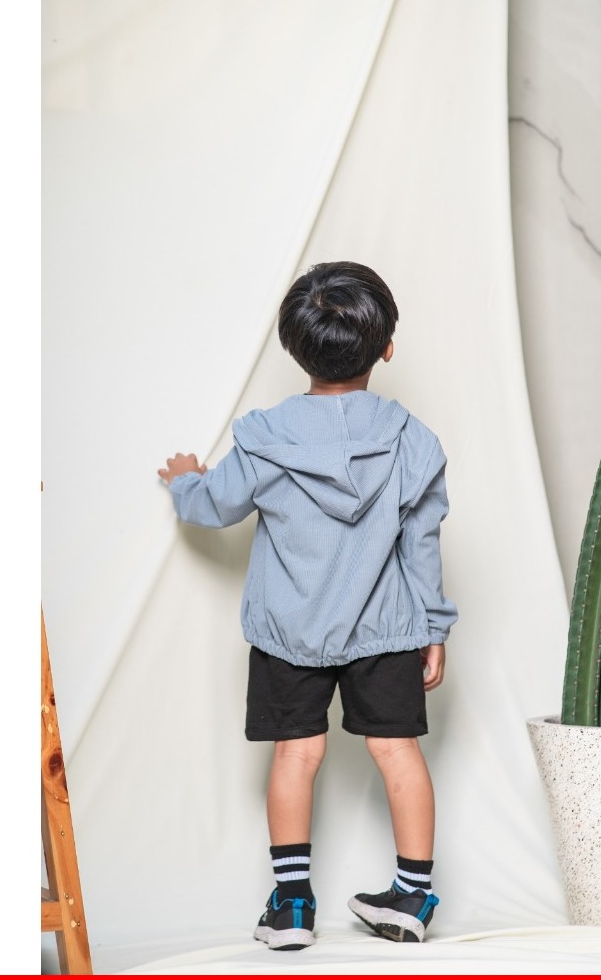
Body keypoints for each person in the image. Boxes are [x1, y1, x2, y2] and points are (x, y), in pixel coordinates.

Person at [157, 261, 458, 951]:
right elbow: (423, 545)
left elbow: (215, 506)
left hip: (289, 631)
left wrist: (185, 482)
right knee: (398, 751)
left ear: (294, 348)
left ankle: (291, 906)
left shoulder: (267, 436)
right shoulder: (414, 441)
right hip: (386, 630)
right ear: (387, 348)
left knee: (296, 755)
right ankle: (413, 898)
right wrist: (433, 629)